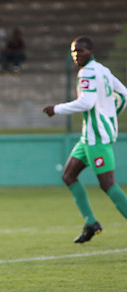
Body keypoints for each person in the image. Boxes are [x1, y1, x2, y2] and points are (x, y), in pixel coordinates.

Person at [43, 36, 127, 243]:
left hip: (96, 137)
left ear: (90, 51)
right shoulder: (103, 70)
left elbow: (87, 102)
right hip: (88, 135)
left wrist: (57, 109)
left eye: (80, 51)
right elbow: (124, 94)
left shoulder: (88, 71)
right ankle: (91, 223)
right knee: (68, 175)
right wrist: (110, 115)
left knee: (107, 183)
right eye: (73, 52)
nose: (76, 55)